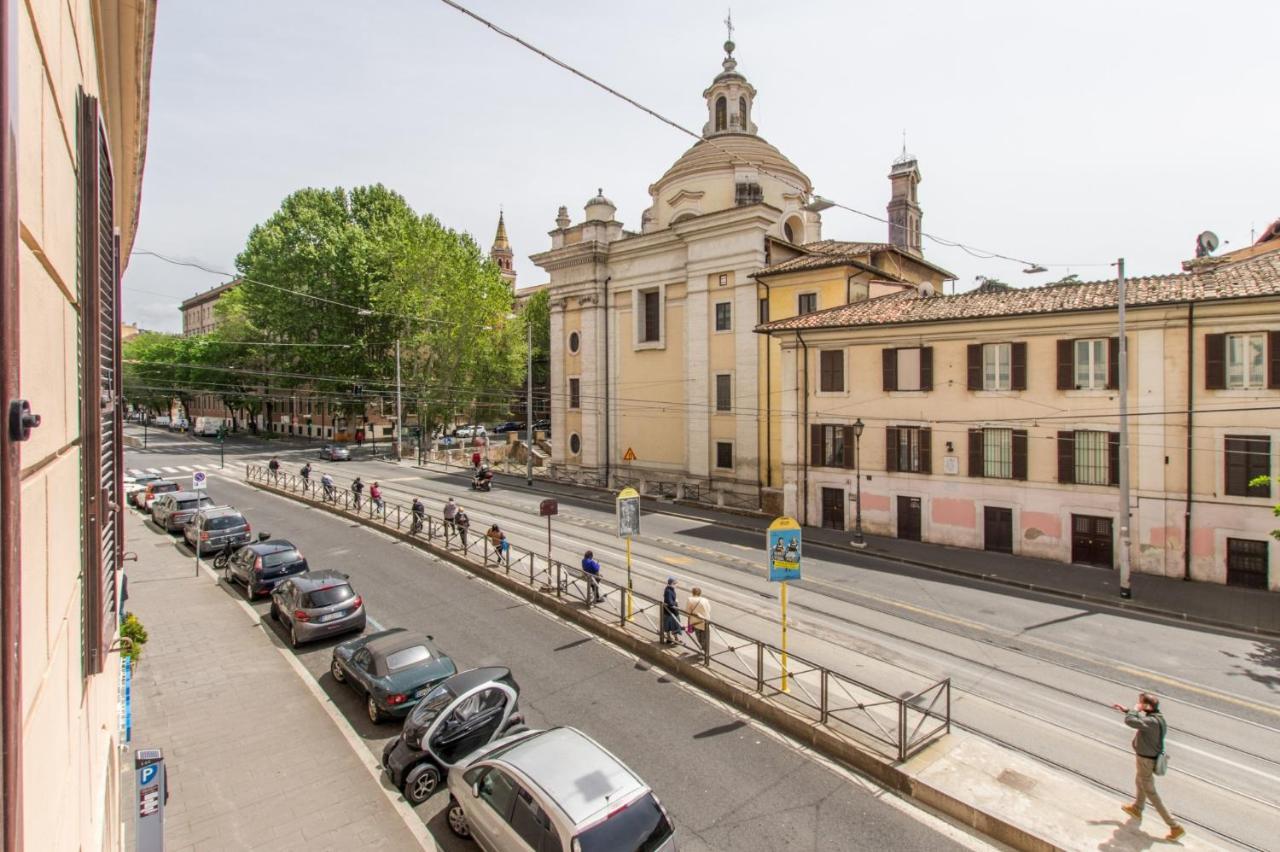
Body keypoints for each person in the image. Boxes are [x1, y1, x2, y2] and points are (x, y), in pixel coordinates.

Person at [1113, 693, 1183, 840]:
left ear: (1148, 706)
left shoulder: (1151, 722)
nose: (1138, 704)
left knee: (1151, 792)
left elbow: (1131, 722)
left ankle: (1174, 826)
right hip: (1146, 758)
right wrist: (1127, 710)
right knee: (1139, 781)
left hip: (1146, 760)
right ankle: (1137, 808)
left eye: (1141, 703)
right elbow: (1139, 719)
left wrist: (1133, 710)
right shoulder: (1158, 718)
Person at [686, 586, 711, 654]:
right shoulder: (705, 600)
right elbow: (709, 609)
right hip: (706, 621)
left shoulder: (690, 599)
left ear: (692, 592)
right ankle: (706, 653)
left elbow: (687, 612)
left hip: (696, 622)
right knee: (706, 637)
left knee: (699, 637)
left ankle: (704, 651)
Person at [661, 577, 682, 644]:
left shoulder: (669, 589)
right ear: (672, 583)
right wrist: (675, 602)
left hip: (668, 612)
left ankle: (669, 638)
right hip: (671, 612)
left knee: (669, 626)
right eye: (675, 584)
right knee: (675, 625)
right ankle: (675, 639)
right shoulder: (669, 591)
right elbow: (670, 602)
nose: (676, 585)